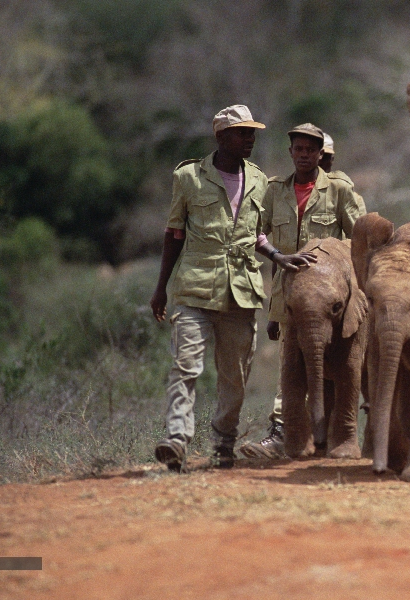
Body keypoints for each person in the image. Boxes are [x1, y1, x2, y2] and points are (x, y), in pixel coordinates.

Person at [150, 105, 315, 471]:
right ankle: (177, 438)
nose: (250, 140)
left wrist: (278, 256)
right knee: (186, 366)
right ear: (221, 136)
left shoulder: (259, 180)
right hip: (194, 287)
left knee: (235, 375)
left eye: (252, 133)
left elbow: (256, 235)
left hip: (241, 290)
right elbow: (174, 233)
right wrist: (160, 288)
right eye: (243, 133)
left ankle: (223, 442)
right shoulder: (190, 177)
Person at [239, 123, 366, 459]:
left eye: (313, 149)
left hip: (333, 298)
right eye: (299, 149)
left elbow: (361, 239)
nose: (306, 155)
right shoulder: (274, 191)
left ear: (322, 153)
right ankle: (289, 435)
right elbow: (253, 232)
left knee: (332, 366)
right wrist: (276, 268)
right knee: (293, 367)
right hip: (289, 298)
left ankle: (326, 434)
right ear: (291, 152)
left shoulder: (338, 190)